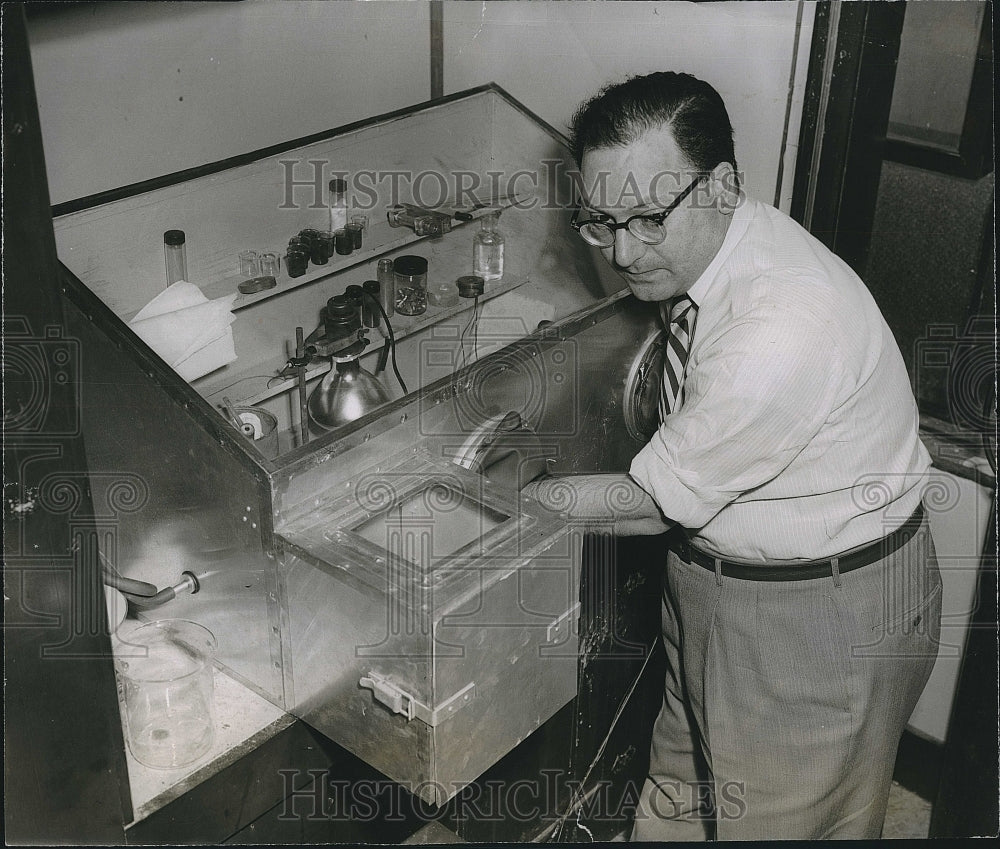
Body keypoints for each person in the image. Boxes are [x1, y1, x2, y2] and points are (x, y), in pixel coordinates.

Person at [521, 72, 942, 840]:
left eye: (648, 218)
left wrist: (510, 506)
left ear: (721, 185)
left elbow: (651, 503)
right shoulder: (714, 250)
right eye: (600, 220)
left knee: (779, 822)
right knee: (679, 797)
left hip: (818, 619)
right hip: (717, 578)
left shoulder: (781, 319)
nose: (622, 251)